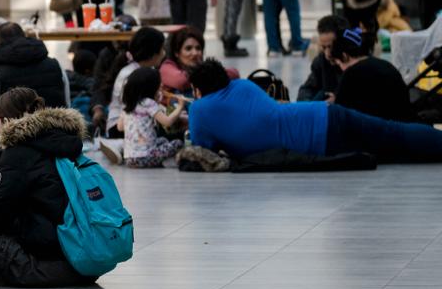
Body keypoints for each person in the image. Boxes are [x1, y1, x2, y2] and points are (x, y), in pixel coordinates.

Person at [188, 58, 442, 163]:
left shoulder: (199, 110)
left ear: (197, 88)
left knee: (392, 141)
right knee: (392, 134)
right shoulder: (242, 85)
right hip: (323, 114)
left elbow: (202, 151)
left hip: (318, 139)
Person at [0, 88, 94, 287]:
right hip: (85, 257)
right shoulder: (66, 141)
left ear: (6, 121)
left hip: (47, 262)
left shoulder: (18, 153)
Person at [332, 26, 414, 122]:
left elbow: (340, 113)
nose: (341, 68)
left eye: (339, 64)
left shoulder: (351, 74)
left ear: (344, 56)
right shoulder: (386, 65)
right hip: (402, 127)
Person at [0, 22, 70, 111]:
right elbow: (67, 103)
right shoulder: (56, 65)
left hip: (12, 124)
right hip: (55, 123)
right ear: (24, 36)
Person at [120, 67, 185, 168]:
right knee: (178, 143)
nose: (161, 85)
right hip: (146, 157)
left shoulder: (128, 104)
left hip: (129, 158)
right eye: (159, 83)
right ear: (150, 87)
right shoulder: (148, 103)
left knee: (162, 140)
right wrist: (180, 107)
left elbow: (120, 127)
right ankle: (170, 161)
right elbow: (167, 122)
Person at [159, 26, 239, 96]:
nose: (195, 53)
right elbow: (181, 82)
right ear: (177, 53)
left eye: (198, 48)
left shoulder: (205, 68)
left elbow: (234, 73)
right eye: (188, 48)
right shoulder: (167, 67)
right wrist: (212, 75)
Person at [297, 15, 343, 102]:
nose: (327, 54)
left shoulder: (356, 65)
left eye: (331, 47)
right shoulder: (321, 61)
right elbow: (307, 89)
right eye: (324, 47)